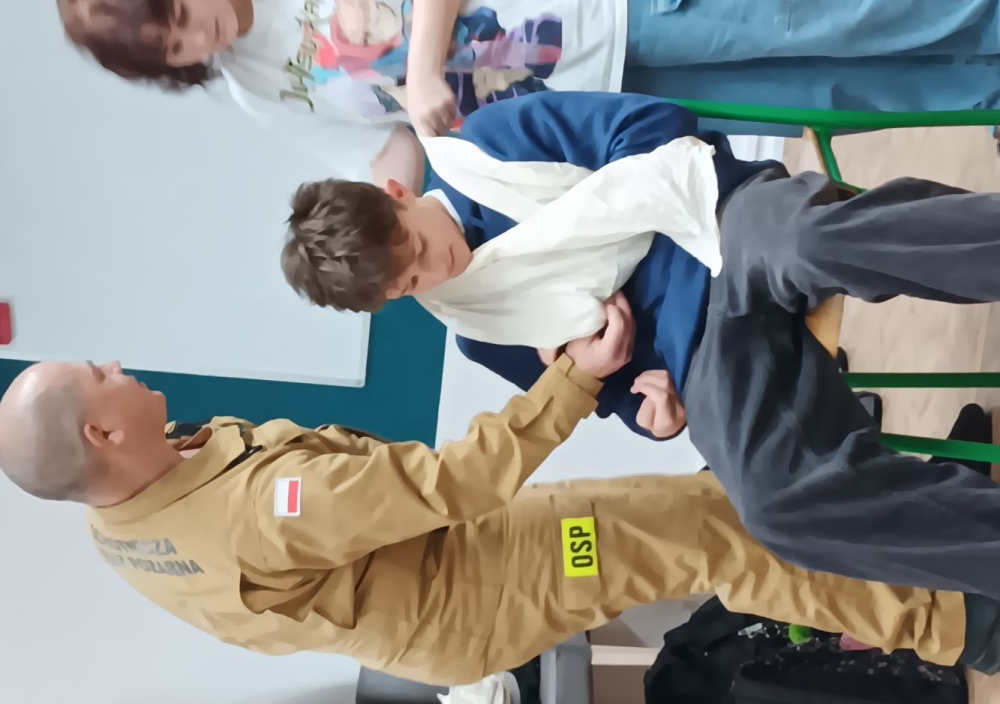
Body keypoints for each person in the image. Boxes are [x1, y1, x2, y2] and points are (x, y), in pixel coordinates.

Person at [281, 90, 1000, 600]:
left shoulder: (489, 146)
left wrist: (601, 237)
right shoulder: (478, 331)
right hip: (699, 354)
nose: (435, 271)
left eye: (415, 248)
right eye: (409, 285)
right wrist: (648, 409)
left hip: (717, 219)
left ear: (398, 194)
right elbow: (619, 399)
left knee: (809, 239)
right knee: (774, 509)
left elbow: (655, 123)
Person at [3, 318, 1000, 685]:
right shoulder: (265, 511)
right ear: (100, 436)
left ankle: (928, 529)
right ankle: (965, 620)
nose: (116, 364)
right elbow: (454, 484)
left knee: (703, 512)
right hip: (478, 583)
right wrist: (573, 378)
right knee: (713, 540)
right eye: (99, 375)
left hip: (455, 577)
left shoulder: (122, 516)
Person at [56, 0, 1000, 194]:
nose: (201, 37)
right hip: (597, 103)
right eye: (177, 51)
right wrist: (397, 199)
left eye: (182, 16)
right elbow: (387, 141)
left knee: (834, 11)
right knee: (824, 100)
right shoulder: (255, 89)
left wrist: (424, 62)